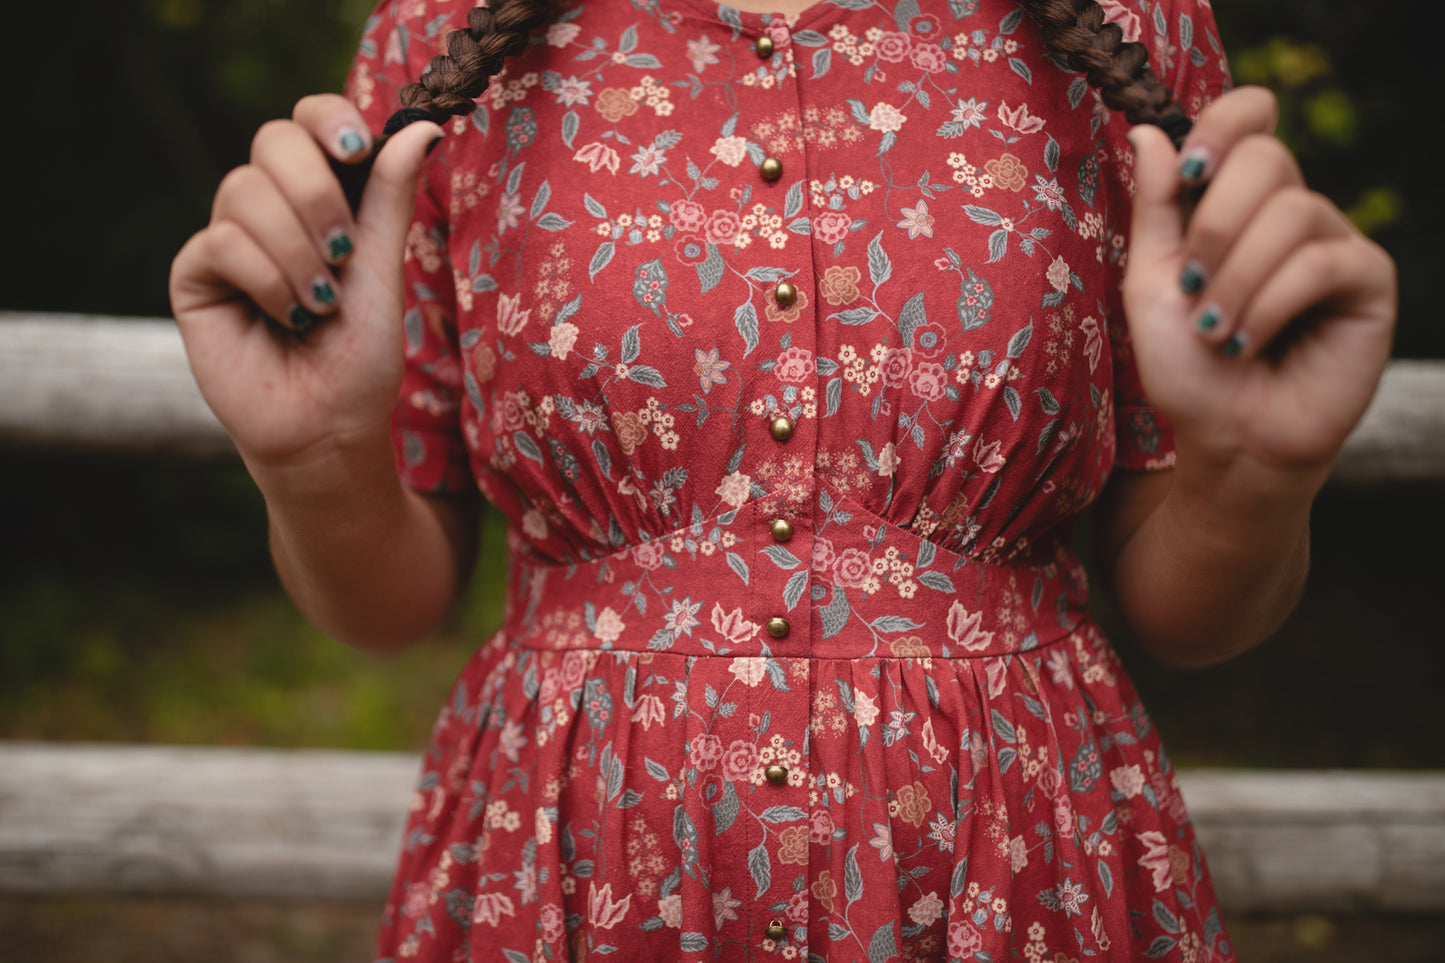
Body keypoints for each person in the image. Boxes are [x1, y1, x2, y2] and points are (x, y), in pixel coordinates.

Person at [169, 0, 1395, 957]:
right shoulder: (439, 33)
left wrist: (1249, 473)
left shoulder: (1130, 26)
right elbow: (390, 599)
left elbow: (1183, 612)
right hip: (569, 876)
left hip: (1012, 876)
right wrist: (316, 458)